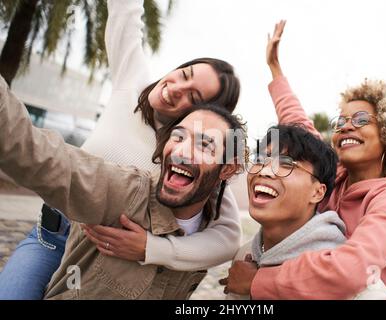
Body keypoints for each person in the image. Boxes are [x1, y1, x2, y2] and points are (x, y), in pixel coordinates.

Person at [0, 0, 241, 299]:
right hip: (52, 233)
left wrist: (153, 249)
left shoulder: (189, 159)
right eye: (184, 73)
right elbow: (125, 13)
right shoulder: (132, 81)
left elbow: (228, 238)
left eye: (193, 95)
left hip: (100, 251)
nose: (176, 87)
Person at [224, 20, 386, 300]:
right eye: (340, 121)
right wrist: (275, 69)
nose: (345, 126)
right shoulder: (334, 176)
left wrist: (258, 281)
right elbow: (297, 125)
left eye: (360, 120)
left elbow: (352, 270)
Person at [222, 125, 386, 300]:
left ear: (318, 192)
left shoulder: (358, 288)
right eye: (259, 159)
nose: (264, 171)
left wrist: (257, 282)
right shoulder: (244, 256)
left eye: (286, 163)